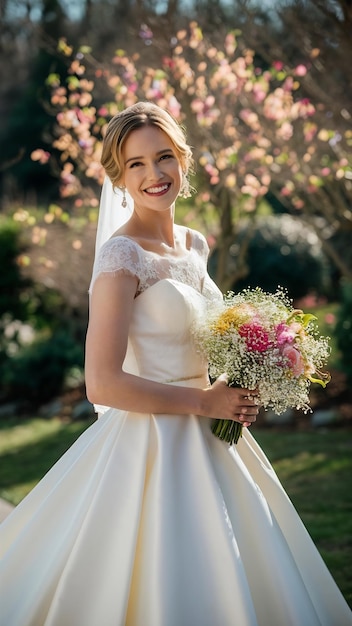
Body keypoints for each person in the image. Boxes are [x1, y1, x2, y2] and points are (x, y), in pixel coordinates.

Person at [0, 101, 351, 626]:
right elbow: (102, 382)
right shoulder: (121, 257)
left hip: (214, 432)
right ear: (118, 176)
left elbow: (202, 340)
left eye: (163, 157)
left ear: (183, 160)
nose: (153, 174)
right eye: (135, 164)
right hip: (151, 443)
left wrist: (254, 363)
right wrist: (202, 401)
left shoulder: (195, 244)